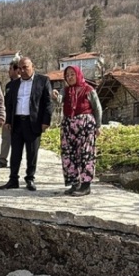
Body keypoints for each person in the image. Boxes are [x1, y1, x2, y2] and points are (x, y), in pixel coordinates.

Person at [0, 57, 53, 191]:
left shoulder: (43, 81)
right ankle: (13, 179)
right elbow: (9, 104)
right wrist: (8, 121)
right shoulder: (12, 85)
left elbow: (48, 103)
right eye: (20, 68)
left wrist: (46, 121)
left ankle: (30, 179)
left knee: (32, 153)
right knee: (15, 153)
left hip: (33, 122)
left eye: (25, 67)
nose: (22, 70)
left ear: (32, 67)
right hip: (17, 123)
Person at [55, 65, 102, 196]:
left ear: (78, 74)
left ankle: (86, 186)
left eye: (72, 74)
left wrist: (98, 126)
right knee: (69, 154)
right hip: (68, 126)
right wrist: (55, 96)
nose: (69, 77)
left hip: (85, 126)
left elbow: (97, 108)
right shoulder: (66, 90)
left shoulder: (88, 89)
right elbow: (60, 100)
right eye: (67, 75)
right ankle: (75, 184)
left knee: (85, 154)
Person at [0, 60, 21, 168]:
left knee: (17, 141)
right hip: (8, 116)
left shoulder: (23, 84)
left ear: (17, 70)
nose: (9, 71)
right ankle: (2, 160)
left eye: (11, 69)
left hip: (19, 117)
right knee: (5, 139)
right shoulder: (8, 85)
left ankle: (15, 161)